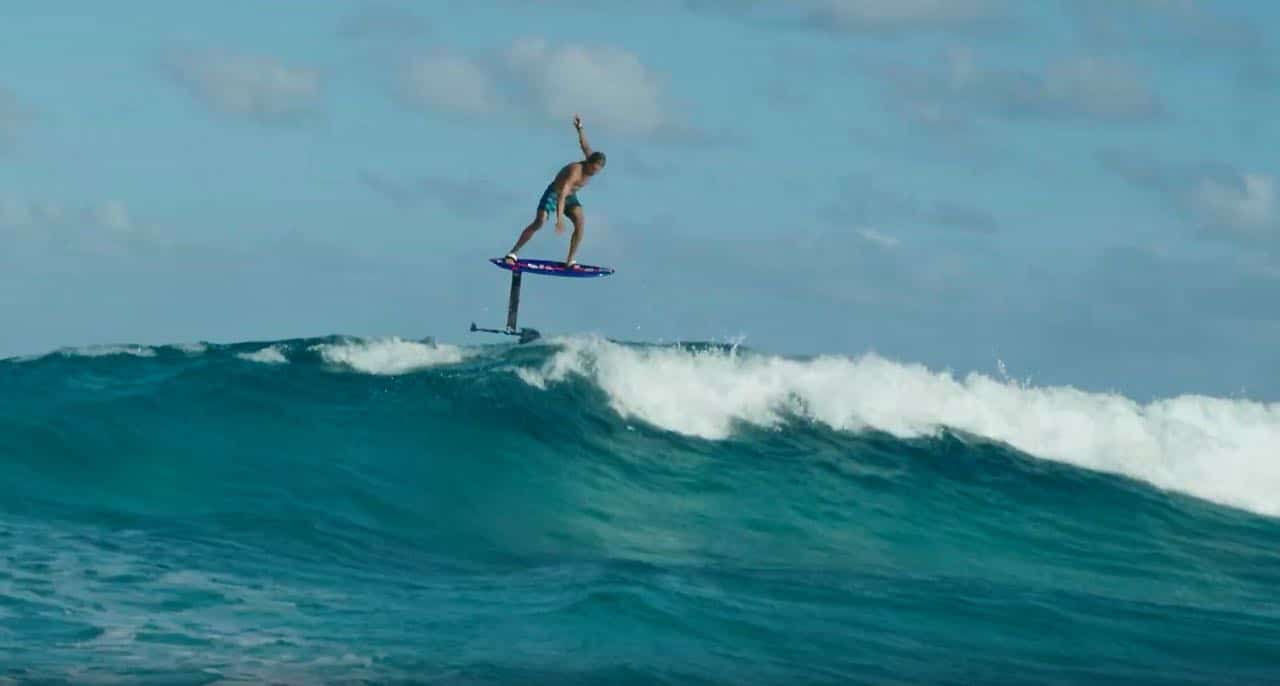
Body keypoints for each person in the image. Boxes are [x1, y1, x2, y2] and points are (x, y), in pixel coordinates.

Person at [504, 114, 606, 269]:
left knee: (580, 222)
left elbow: (584, 145)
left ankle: (570, 260)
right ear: (588, 163)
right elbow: (562, 195)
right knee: (540, 222)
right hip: (555, 194)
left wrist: (580, 128)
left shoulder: (591, 160)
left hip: (571, 197)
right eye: (592, 169)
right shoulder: (575, 172)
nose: (593, 173)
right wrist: (559, 219)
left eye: (597, 171)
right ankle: (513, 253)